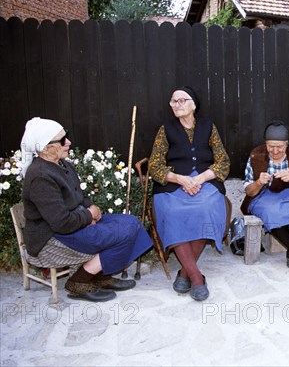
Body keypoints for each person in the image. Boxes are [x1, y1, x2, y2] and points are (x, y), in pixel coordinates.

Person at [20, 117, 153, 302]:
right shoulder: (40, 176)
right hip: (52, 237)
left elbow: (77, 196)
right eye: (61, 140)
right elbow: (61, 222)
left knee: (131, 222)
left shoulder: (62, 164)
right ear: (45, 147)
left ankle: (99, 275)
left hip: (74, 224)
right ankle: (79, 281)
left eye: (66, 137)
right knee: (123, 232)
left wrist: (89, 206)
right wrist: (88, 215)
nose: (68, 142)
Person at [148, 86, 230, 302]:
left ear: (193, 104)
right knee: (172, 211)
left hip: (203, 181)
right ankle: (195, 277)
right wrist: (180, 179)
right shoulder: (165, 129)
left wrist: (201, 178)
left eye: (182, 101)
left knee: (207, 208)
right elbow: (154, 165)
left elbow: (223, 161)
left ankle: (184, 273)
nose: (177, 105)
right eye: (173, 101)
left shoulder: (208, 127)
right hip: (173, 184)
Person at [241, 121, 289, 271]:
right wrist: (258, 182)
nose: (275, 151)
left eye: (280, 147)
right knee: (270, 212)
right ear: (265, 144)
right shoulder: (256, 155)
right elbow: (249, 191)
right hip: (265, 196)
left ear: (287, 144)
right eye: (271, 146)